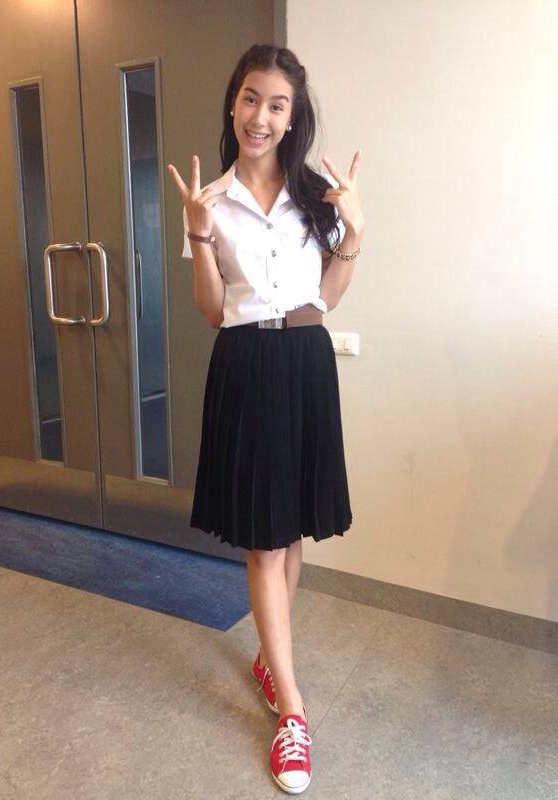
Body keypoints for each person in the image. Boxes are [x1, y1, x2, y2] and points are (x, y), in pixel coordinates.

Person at [168, 43, 365, 796]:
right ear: (234, 103)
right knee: (264, 539)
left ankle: (268, 659)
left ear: (291, 117)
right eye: (251, 98)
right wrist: (197, 233)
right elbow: (212, 309)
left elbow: (329, 296)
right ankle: (293, 711)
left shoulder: (316, 195)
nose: (261, 116)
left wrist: (355, 233)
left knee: (292, 527)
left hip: (306, 361)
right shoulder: (211, 201)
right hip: (247, 363)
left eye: (277, 105)